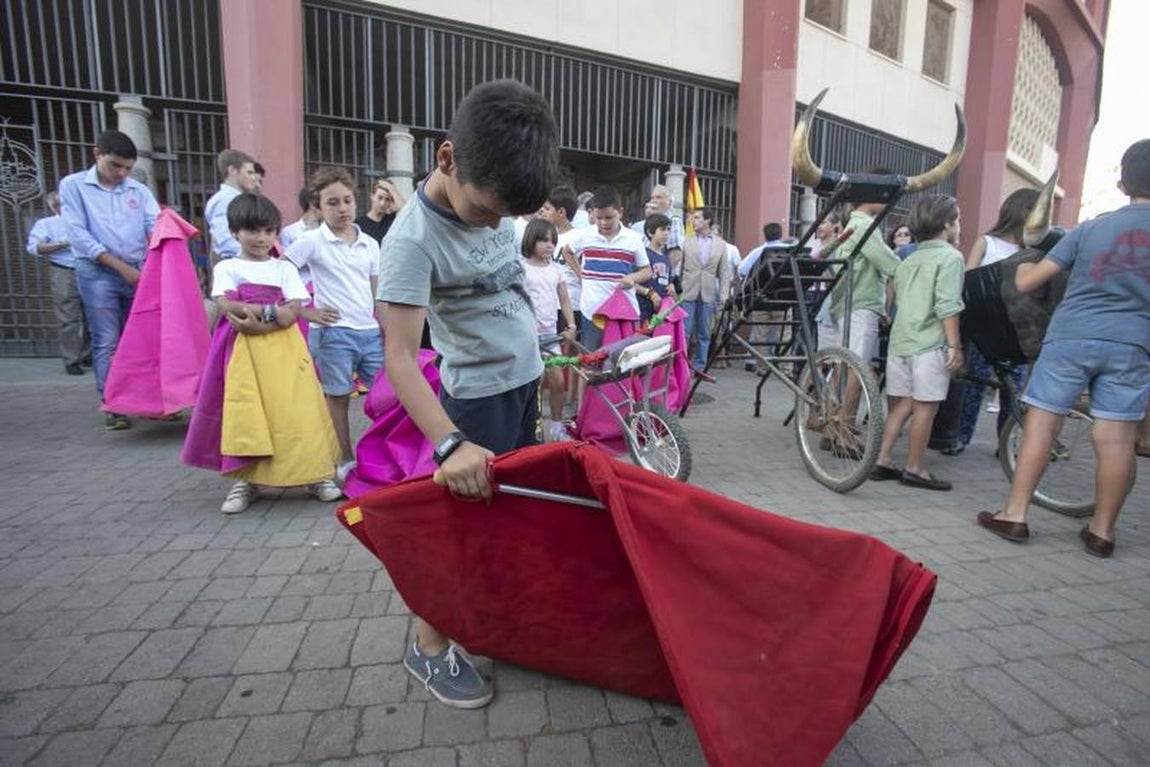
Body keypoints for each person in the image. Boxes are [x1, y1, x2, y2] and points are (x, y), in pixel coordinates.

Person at [377, 79, 559, 708]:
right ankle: (427, 647)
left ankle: (493, 622)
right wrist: (450, 443)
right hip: (474, 405)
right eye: (487, 211)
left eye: (506, 216)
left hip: (523, 384)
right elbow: (398, 357)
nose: (495, 224)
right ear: (446, 158)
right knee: (459, 533)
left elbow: (505, 289)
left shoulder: (495, 202)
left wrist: (545, 355)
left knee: (509, 521)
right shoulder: (409, 241)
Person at [977, 139, 1150, 558]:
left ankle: (1015, 514)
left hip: (1071, 336)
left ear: (1123, 180)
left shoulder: (1090, 228)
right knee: (1116, 437)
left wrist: (1020, 266)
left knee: (1043, 421)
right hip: (1133, 342)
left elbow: (1028, 282)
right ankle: (1102, 532)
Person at [184, 193, 342, 513]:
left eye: (269, 231)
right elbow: (228, 305)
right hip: (243, 355)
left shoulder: (283, 269)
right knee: (250, 414)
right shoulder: (228, 266)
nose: (261, 238)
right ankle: (246, 479)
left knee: (299, 411)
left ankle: (316, 474)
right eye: (253, 230)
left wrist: (260, 318)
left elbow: (293, 309)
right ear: (234, 232)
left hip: (287, 353)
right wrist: (274, 312)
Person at [286, 166, 384, 480]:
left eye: (346, 200)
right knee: (338, 397)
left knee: (386, 396)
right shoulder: (311, 241)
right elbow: (281, 272)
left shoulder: (370, 243)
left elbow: (376, 289)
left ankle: (384, 454)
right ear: (318, 207)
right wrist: (305, 311)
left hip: (369, 332)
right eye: (332, 203)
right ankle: (344, 459)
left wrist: (385, 325)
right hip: (332, 334)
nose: (342, 208)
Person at [58, 129, 160, 430]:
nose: (122, 173)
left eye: (128, 167)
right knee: (107, 341)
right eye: (115, 165)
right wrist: (120, 267)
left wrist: (163, 251)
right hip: (97, 272)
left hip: (137, 270)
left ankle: (145, 400)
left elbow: (153, 225)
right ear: (97, 154)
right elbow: (78, 235)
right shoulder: (74, 186)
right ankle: (114, 404)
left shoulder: (138, 191)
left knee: (140, 337)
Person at [869, 195, 965, 490]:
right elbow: (948, 305)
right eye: (957, 219)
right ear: (947, 224)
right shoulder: (951, 257)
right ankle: (915, 468)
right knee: (926, 408)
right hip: (929, 344)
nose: (959, 225)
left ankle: (882, 460)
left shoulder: (907, 259)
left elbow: (895, 296)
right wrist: (955, 346)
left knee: (902, 405)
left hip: (900, 343)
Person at [943, 188, 1040, 455]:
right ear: (1022, 211)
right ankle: (961, 436)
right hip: (985, 325)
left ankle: (1006, 442)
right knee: (976, 383)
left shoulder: (1032, 249)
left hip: (1017, 327)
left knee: (1014, 388)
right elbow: (968, 278)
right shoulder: (987, 242)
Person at [563, 186, 651, 351]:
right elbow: (567, 251)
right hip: (592, 311)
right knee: (591, 361)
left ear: (620, 212)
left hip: (623, 313)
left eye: (609, 217)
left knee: (622, 363)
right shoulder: (585, 235)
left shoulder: (633, 238)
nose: (604, 223)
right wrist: (580, 274)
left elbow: (647, 271)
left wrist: (632, 278)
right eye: (599, 218)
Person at [521, 217, 576, 440]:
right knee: (531, 385)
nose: (549, 245)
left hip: (551, 335)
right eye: (543, 240)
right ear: (530, 240)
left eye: (553, 241)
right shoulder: (521, 269)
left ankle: (556, 426)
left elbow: (564, 300)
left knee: (558, 382)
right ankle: (531, 426)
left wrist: (571, 325)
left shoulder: (556, 270)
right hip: (527, 337)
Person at [26, 191, 89, 375]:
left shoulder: (86, 221)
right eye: (60, 204)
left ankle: (88, 354)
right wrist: (62, 244)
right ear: (54, 205)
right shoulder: (46, 224)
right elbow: (34, 247)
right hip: (63, 269)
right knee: (68, 317)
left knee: (93, 315)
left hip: (90, 269)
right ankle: (71, 359)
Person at [679, 207, 730, 369]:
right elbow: (678, 269)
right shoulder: (686, 240)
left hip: (709, 294)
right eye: (693, 218)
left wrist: (723, 296)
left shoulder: (721, 245)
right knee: (685, 332)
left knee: (705, 333)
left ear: (707, 220)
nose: (693, 221)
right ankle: (682, 366)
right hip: (688, 292)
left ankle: (700, 367)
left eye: (697, 218)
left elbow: (724, 273)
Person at [203, 149, 261, 262]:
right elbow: (226, 241)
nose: (254, 178)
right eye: (249, 173)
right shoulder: (225, 200)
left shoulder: (233, 199)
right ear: (232, 170)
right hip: (237, 263)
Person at [636, 213, 677, 323]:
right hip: (643, 311)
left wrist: (671, 286)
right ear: (650, 232)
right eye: (662, 230)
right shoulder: (643, 254)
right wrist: (650, 294)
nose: (666, 233)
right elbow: (632, 284)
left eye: (668, 229)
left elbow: (667, 281)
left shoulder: (666, 258)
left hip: (660, 314)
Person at [355, 178, 405, 245]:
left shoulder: (391, 220)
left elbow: (406, 210)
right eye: (380, 198)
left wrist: (391, 189)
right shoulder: (359, 224)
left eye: (387, 199)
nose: (382, 203)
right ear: (372, 196)